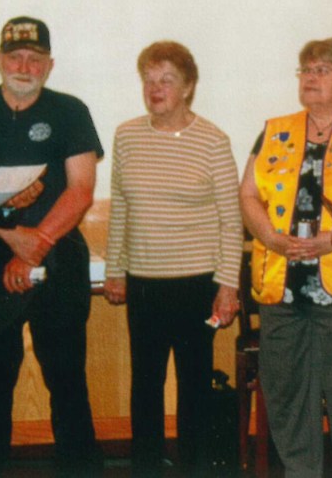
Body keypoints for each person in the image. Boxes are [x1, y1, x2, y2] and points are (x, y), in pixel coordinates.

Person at [0, 16, 103, 476]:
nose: (25, 65)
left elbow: (81, 189)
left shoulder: (70, 111)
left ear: (50, 64)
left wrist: (37, 244)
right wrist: (12, 240)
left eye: (35, 58)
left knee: (67, 382)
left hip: (58, 254)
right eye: (15, 56)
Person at [239, 37, 332, 477]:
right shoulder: (275, 129)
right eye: (305, 70)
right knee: (285, 396)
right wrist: (271, 237)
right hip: (281, 285)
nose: (311, 78)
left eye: (321, 70)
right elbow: (248, 194)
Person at [103, 40, 242, 475]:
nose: (155, 88)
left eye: (167, 80)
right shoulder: (126, 135)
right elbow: (121, 208)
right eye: (149, 79)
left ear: (188, 87)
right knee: (145, 386)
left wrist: (227, 285)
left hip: (197, 284)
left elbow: (230, 219)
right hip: (143, 280)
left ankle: (196, 469)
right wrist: (114, 271)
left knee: (194, 386)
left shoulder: (213, 141)